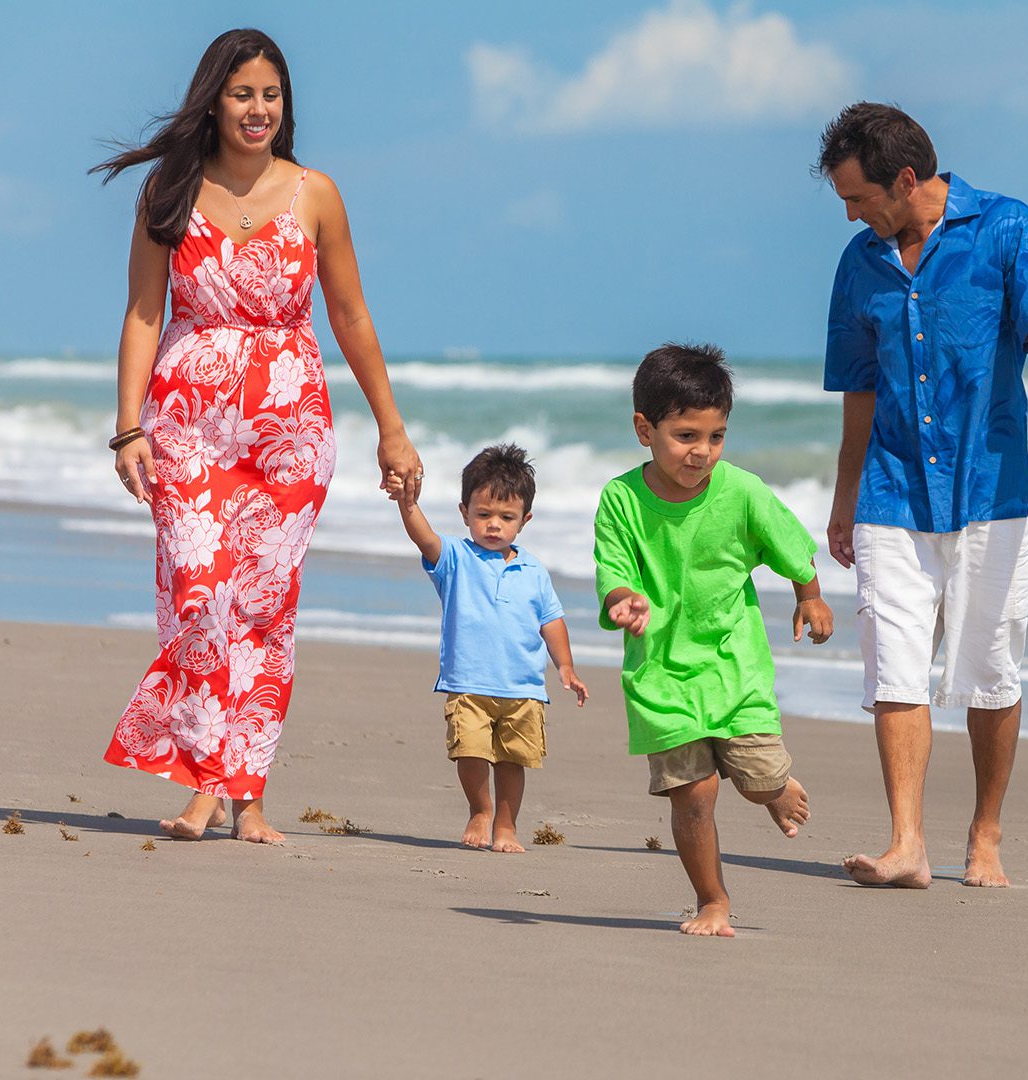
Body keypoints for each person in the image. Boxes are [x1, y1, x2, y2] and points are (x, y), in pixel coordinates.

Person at [93, 28, 424, 842]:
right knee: (199, 592)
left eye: (270, 94)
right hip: (187, 429)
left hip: (289, 433)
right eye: (242, 93)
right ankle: (208, 777)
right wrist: (127, 427)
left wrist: (393, 428)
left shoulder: (316, 194)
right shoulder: (168, 193)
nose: (258, 109)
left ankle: (247, 792)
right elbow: (144, 312)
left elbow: (349, 315)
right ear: (213, 99)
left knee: (264, 607)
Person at [816, 102, 1028, 888]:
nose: (849, 213)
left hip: (992, 489)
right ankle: (907, 843)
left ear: (906, 180)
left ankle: (986, 833)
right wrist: (843, 498)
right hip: (890, 492)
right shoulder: (858, 264)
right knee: (894, 667)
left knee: (989, 669)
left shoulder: (1010, 230)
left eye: (859, 196)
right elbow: (859, 393)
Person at [594, 344, 832, 936]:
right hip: (660, 676)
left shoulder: (742, 492)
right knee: (693, 794)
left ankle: (774, 786)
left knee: (756, 781)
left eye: (717, 436)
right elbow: (612, 568)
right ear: (644, 430)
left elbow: (790, 548)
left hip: (734, 664)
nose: (702, 452)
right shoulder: (620, 500)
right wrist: (622, 599)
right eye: (686, 436)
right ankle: (713, 900)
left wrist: (810, 596)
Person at [396, 443, 588, 852]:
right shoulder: (455, 558)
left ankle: (506, 824)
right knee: (470, 752)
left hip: (523, 688)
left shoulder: (534, 570)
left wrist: (566, 667)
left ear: (525, 519)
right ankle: (480, 810)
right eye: (483, 515)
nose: (494, 525)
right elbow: (423, 537)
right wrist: (407, 503)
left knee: (513, 761)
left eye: (506, 517)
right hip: (468, 683)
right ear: (464, 512)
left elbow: (551, 620)